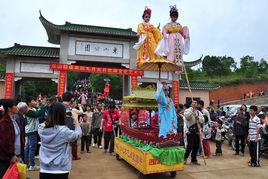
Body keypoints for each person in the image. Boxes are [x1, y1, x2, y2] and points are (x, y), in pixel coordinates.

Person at [38, 102, 82, 179]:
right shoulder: (63, 131)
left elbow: (48, 124)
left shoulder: (41, 128)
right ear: (62, 114)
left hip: (44, 169)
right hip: (60, 170)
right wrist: (75, 119)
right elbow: (77, 135)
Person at [0, 99, 19, 178]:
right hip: (6, 157)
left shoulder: (13, 119)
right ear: (9, 108)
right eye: (15, 105)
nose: (17, 107)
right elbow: (6, 141)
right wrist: (12, 154)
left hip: (12, 155)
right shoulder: (5, 121)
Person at [25, 96, 45, 171]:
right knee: (32, 148)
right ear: (29, 102)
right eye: (33, 101)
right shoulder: (28, 110)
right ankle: (32, 165)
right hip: (31, 131)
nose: (35, 102)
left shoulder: (31, 109)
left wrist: (39, 105)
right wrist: (43, 104)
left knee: (28, 147)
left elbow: (38, 110)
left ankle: (27, 163)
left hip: (31, 130)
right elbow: (38, 113)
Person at [184, 100, 204, 165]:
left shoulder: (198, 112)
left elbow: (203, 120)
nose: (195, 103)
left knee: (196, 146)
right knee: (190, 145)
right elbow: (187, 117)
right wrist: (192, 110)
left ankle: (193, 160)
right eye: (193, 102)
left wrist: (198, 118)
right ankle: (185, 158)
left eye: (196, 102)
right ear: (190, 104)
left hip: (197, 131)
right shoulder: (187, 110)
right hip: (190, 131)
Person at [62, 92, 81, 160]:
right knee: (74, 143)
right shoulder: (70, 108)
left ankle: (67, 157)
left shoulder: (59, 106)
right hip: (70, 128)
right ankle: (74, 156)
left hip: (61, 129)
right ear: (71, 99)